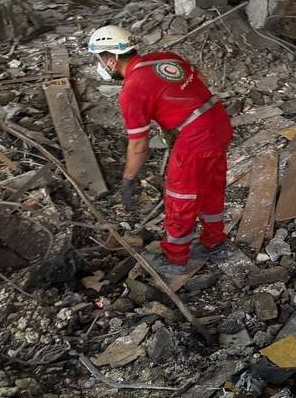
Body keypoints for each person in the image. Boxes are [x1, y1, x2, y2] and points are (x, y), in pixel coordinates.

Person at [88, 25, 233, 272]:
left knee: (181, 198)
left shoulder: (132, 89)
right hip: (218, 124)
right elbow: (201, 81)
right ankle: (214, 243)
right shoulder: (164, 57)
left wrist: (129, 179)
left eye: (99, 59)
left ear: (111, 60)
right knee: (211, 187)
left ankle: (175, 259)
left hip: (195, 141)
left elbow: (138, 144)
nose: (100, 65)